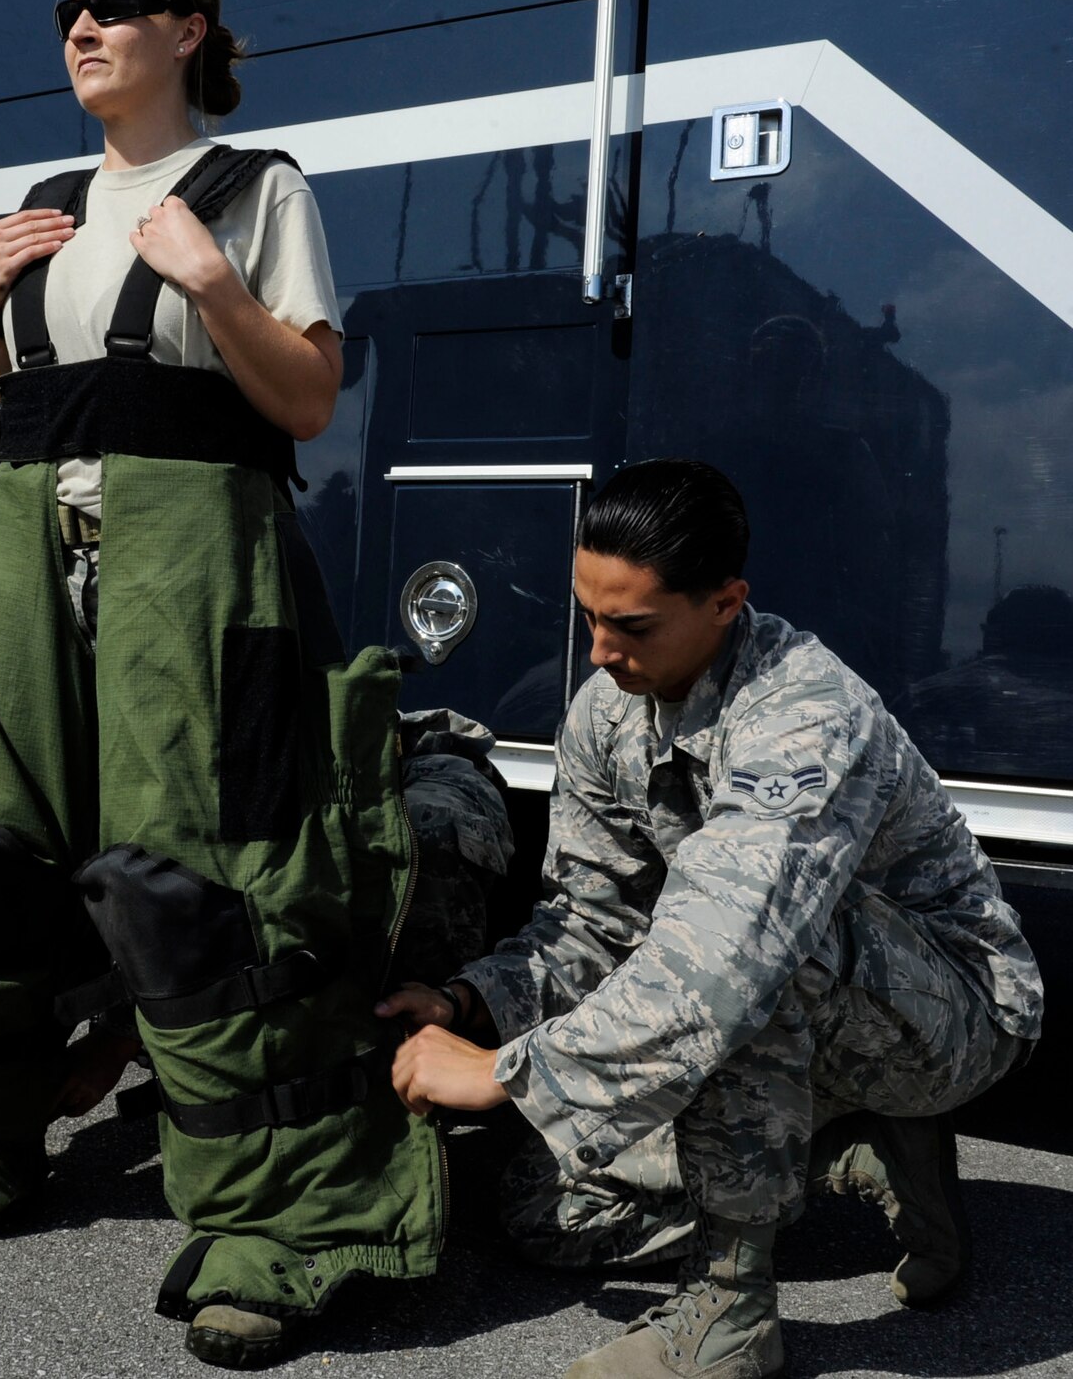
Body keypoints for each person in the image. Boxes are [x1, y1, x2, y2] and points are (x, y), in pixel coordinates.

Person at [0, 0, 445, 1370]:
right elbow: (32, 401)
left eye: (118, 5)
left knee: (201, 879)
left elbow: (305, 405)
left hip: (197, 560)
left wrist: (214, 284)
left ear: (188, 28)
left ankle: (277, 1215)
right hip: (24, 541)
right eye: (71, 10)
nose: (85, 27)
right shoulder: (40, 203)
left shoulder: (255, 189)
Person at [386, 458, 1042, 1379]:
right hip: (773, 996)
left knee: (754, 949)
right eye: (590, 615)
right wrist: (469, 1004)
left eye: (632, 625)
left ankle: (730, 1312)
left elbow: (729, 958)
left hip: (954, 1013)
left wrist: (509, 1074)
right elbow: (592, 922)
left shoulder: (805, 715)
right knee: (543, 1209)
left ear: (727, 603)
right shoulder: (608, 710)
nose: (601, 652)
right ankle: (845, 1148)